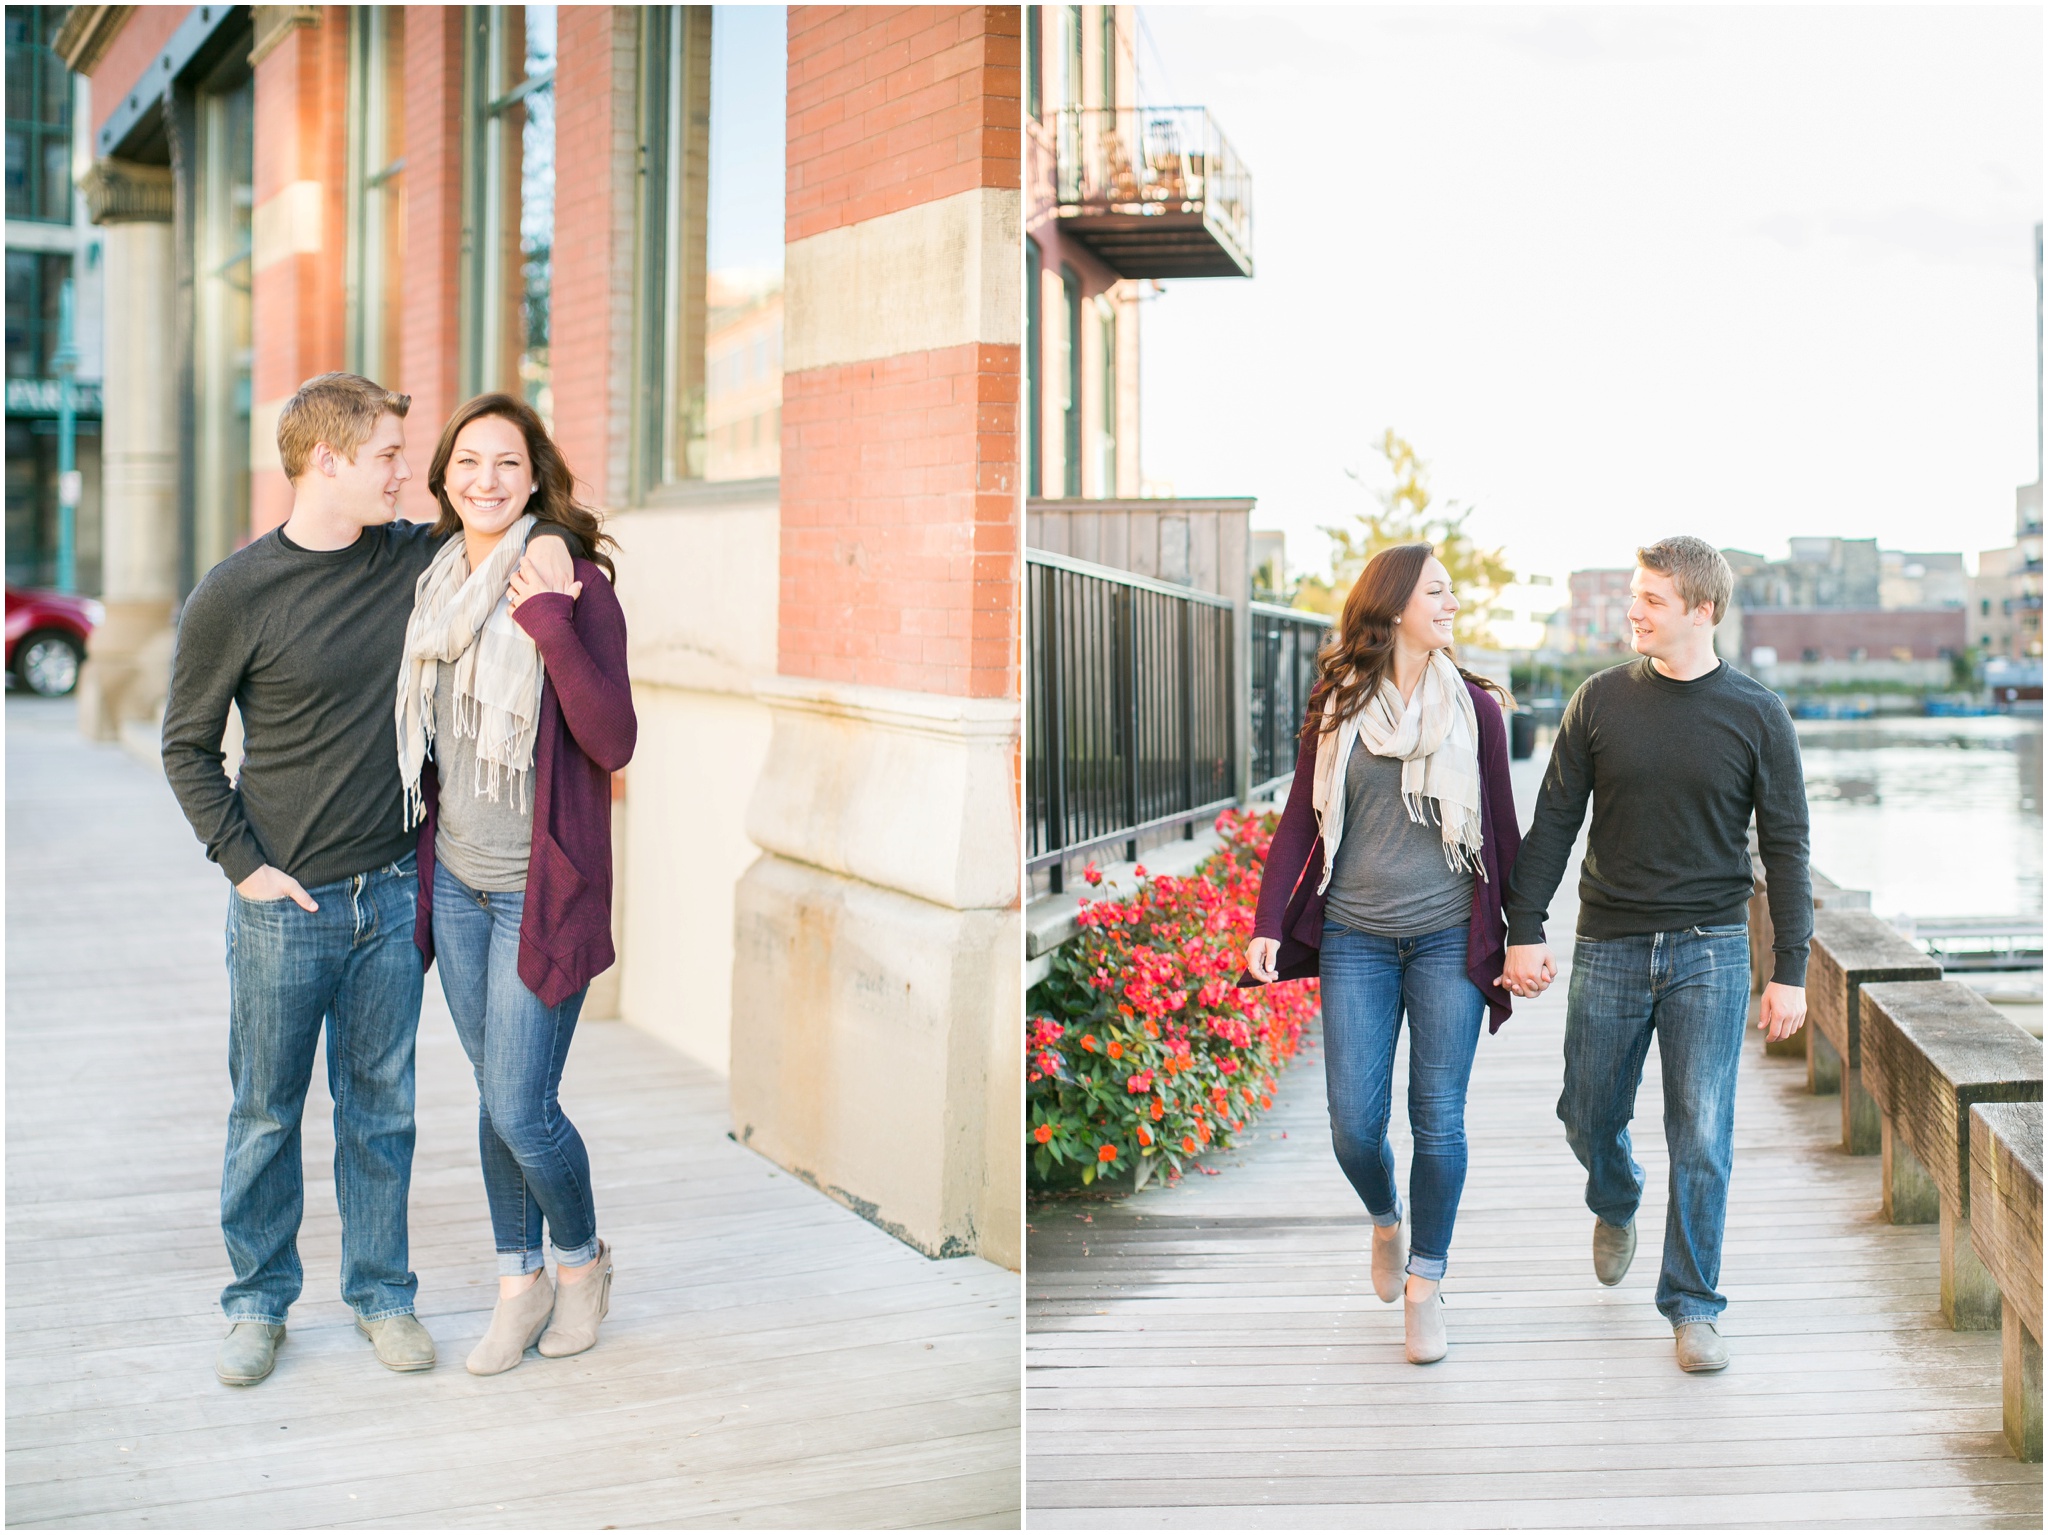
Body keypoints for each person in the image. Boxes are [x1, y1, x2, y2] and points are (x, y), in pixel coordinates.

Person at [163, 373, 580, 1387]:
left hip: (395, 890)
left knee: (380, 1111)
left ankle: (381, 1294)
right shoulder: (235, 592)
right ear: (329, 461)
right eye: (393, 454)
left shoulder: (415, 562)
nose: (415, 472)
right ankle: (258, 1303)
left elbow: (510, 529)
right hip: (283, 907)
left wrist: (553, 541)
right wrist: (246, 868)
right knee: (265, 1112)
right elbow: (186, 745)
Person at [1501, 536, 1810, 1374]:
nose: (1632, 611)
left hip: (1711, 948)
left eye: (1651, 599)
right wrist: (1522, 926)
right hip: (1608, 939)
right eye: (1634, 595)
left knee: (1702, 1131)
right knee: (1587, 1113)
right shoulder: (1598, 701)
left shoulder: (1757, 713)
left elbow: (1786, 848)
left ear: (1701, 611)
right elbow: (1555, 823)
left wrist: (1790, 969)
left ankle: (1694, 1304)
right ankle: (1617, 1194)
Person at [397, 393, 635, 1376]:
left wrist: (546, 618)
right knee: (498, 1100)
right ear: (444, 477)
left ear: (534, 475)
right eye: (467, 462)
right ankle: (516, 1281)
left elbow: (611, 738)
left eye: (506, 462)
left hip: (543, 890)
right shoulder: (435, 584)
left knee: (521, 1103)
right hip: (455, 885)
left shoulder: (572, 581)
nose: (485, 479)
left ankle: (580, 1265)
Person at [1244, 544, 1522, 1365]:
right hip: (1355, 940)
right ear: (1396, 601)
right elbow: (1301, 818)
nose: (1451, 605)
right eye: (1437, 591)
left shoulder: (1477, 710)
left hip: (1446, 937)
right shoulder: (1336, 705)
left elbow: (1503, 830)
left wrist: (1525, 934)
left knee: (1440, 1120)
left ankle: (1426, 1287)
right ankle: (1386, 1219)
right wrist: (1267, 921)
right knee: (1353, 1128)